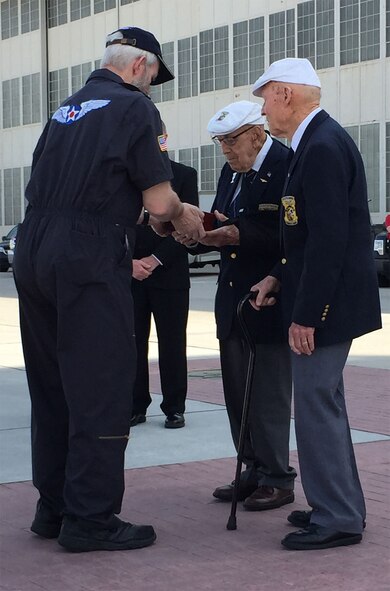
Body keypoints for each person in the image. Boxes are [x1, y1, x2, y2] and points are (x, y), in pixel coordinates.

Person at [12, 26, 205, 553]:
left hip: (34, 245)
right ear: (141, 67)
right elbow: (161, 200)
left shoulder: (67, 109)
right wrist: (185, 221)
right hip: (87, 251)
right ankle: (91, 518)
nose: (152, 89)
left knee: (52, 386)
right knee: (99, 385)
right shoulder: (133, 108)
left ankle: (53, 507)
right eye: (153, 78)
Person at [250, 58, 382, 550]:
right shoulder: (315, 142)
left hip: (326, 307)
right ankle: (337, 504)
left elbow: (329, 240)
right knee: (322, 406)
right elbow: (304, 239)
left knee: (314, 407)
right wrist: (278, 278)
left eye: (265, 98)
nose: (263, 111)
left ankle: (338, 517)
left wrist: (308, 314)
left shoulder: (321, 146)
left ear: (284, 93)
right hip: (322, 298)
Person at [178, 100, 296, 511]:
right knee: (236, 391)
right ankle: (252, 468)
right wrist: (203, 230)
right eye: (220, 142)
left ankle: (278, 477)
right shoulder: (233, 171)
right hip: (232, 295)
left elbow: (289, 236)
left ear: (257, 134)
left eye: (231, 141)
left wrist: (236, 234)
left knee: (267, 393)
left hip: (267, 296)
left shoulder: (285, 165)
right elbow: (228, 216)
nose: (225, 150)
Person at [131, 129, 199, 429]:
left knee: (172, 343)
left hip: (169, 273)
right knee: (132, 343)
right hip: (131, 273)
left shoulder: (184, 176)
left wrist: (156, 259)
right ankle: (135, 404)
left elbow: (189, 227)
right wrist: (130, 262)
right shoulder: (126, 177)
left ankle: (174, 407)